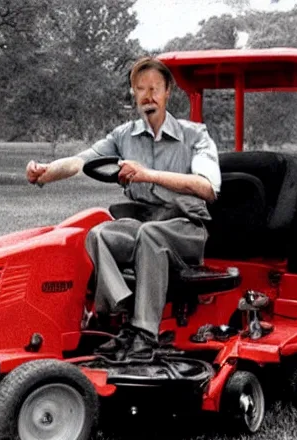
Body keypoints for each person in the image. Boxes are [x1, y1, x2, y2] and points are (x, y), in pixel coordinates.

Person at [25, 56, 221, 360]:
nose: (148, 96)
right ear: (134, 94)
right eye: (141, 89)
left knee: (150, 236)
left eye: (155, 88)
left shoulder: (195, 135)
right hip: (142, 222)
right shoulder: (123, 136)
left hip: (185, 228)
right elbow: (81, 160)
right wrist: (46, 171)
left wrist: (148, 174)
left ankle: (145, 334)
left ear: (168, 91)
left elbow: (207, 188)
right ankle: (118, 316)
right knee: (98, 234)